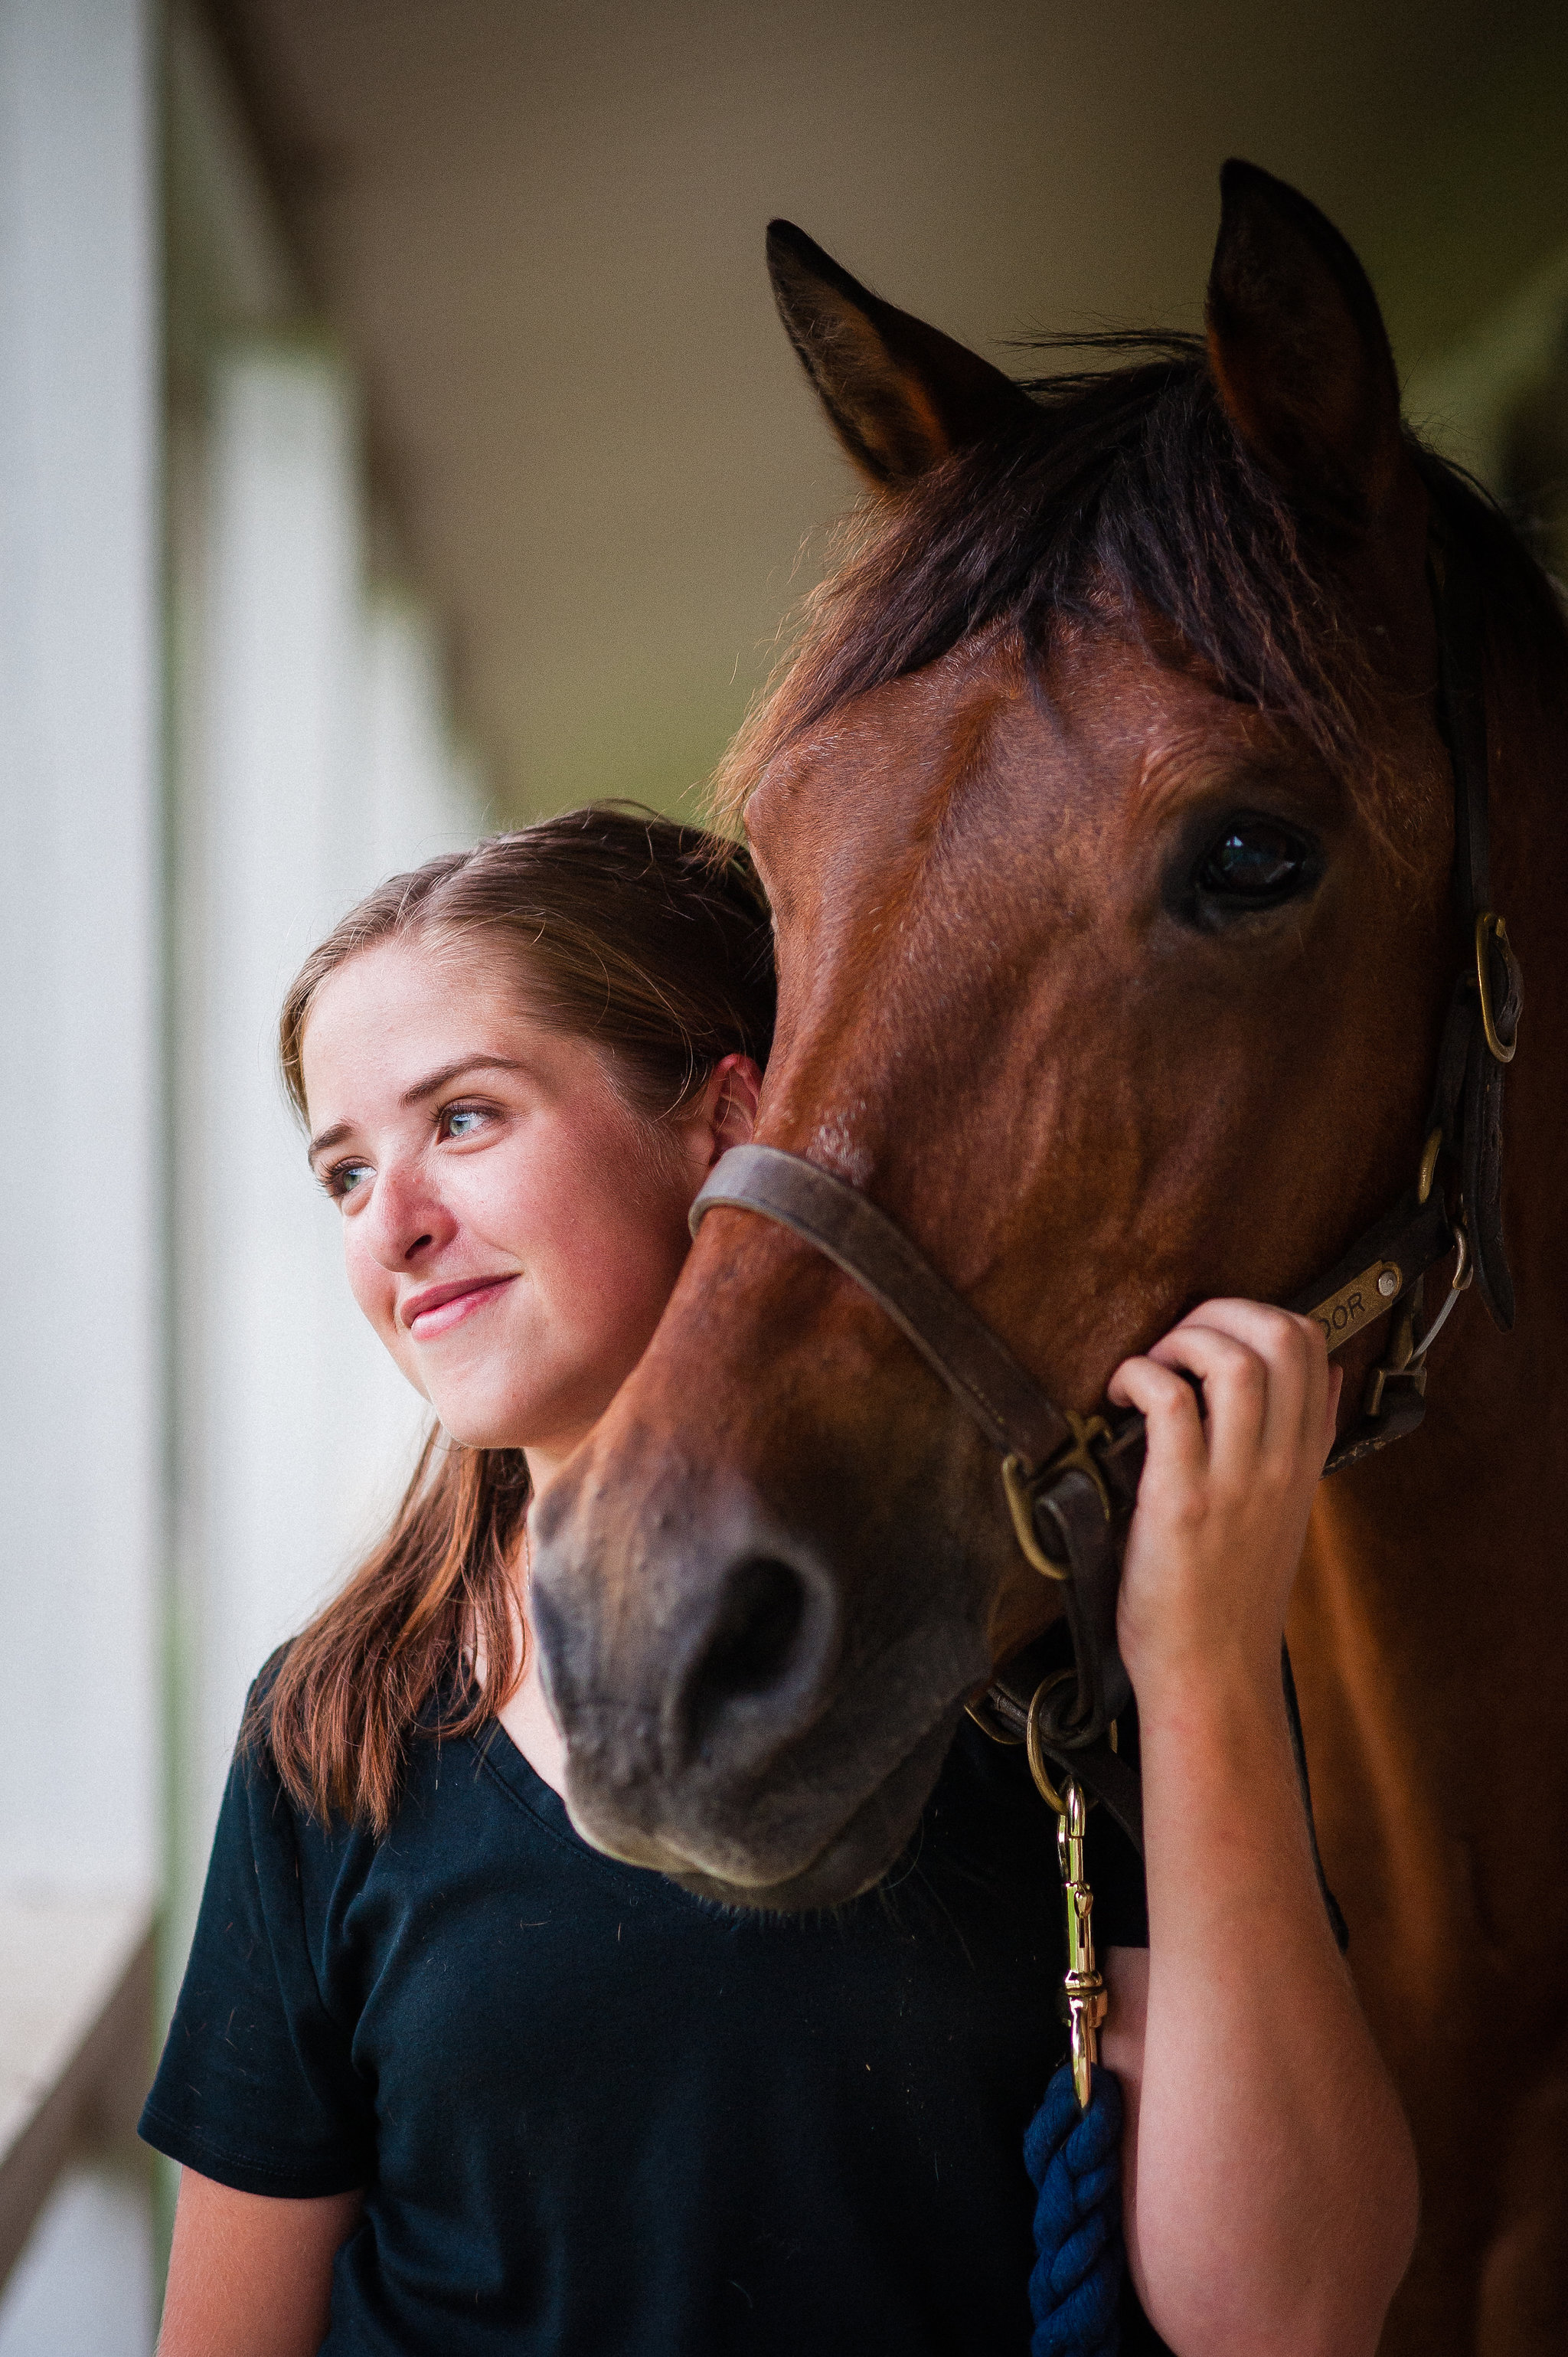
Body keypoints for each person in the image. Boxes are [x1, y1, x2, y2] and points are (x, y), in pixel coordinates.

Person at [142, 804, 1418, 2356]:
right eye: (344, 1172)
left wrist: (1204, 1669)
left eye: (464, 1120)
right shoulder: (338, 1727)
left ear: (723, 1121)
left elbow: (1290, 2322)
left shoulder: (1076, 1665)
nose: (394, 1226)